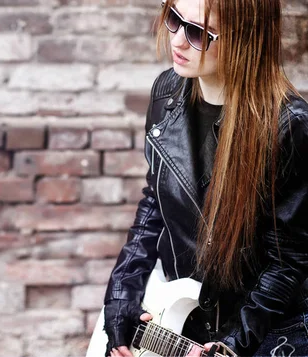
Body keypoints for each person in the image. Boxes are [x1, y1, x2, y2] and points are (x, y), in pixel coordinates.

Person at [102, 0, 308, 356]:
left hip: (268, 336)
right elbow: (155, 204)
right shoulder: (167, 92)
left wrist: (233, 344)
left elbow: (288, 261)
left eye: (198, 32)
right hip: (186, 321)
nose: (177, 41)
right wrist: (122, 293)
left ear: (245, 38)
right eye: (174, 20)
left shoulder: (288, 126)